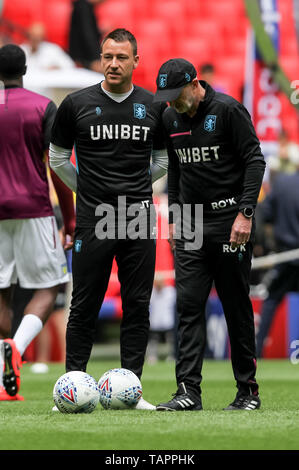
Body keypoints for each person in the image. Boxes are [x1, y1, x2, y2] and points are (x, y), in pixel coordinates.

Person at [49, 28, 168, 410]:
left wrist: (134, 186)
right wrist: (85, 189)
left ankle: (132, 392)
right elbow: (56, 158)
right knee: (83, 304)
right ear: (101, 59)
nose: (113, 64)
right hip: (92, 218)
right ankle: (71, 390)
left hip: (137, 217)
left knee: (137, 305)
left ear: (136, 60)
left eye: (121, 57)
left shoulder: (154, 106)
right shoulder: (76, 103)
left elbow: (163, 160)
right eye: (107, 56)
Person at [153, 58, 266, 411]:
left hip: (230, 224)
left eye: (176, 94)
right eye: (166, 97)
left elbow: (255, 161)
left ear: (194, 84)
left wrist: (245, 214)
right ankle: (188, 391)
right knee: (188, 307)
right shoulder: (169, 117)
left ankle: (248, 391)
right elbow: (175, 170)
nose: (171, 102)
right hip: (190, 226)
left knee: (235, 307)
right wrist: (173, 217)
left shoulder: (229, 110)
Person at [0, 44, 76, 401]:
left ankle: (3, 375)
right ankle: (16, 346)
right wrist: (70, 218)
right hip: (34, 209)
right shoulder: (43, 106)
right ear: (26, 69)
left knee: (2, 292)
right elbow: (58, 167)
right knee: (50, 288)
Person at [255, 155, 299, 357]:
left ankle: (257, 350)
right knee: (271, 300)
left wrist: (261, 243)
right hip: (288, 254)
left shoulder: (281, 184)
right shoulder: (284, 183)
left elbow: (264, 212)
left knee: (271, 301)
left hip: (284, 254)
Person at [69, 0, 106, 73]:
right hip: (84, 60)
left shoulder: (84, 6)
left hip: (84, 59)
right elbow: (87, 35)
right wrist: (96, 59)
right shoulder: (83, 7)